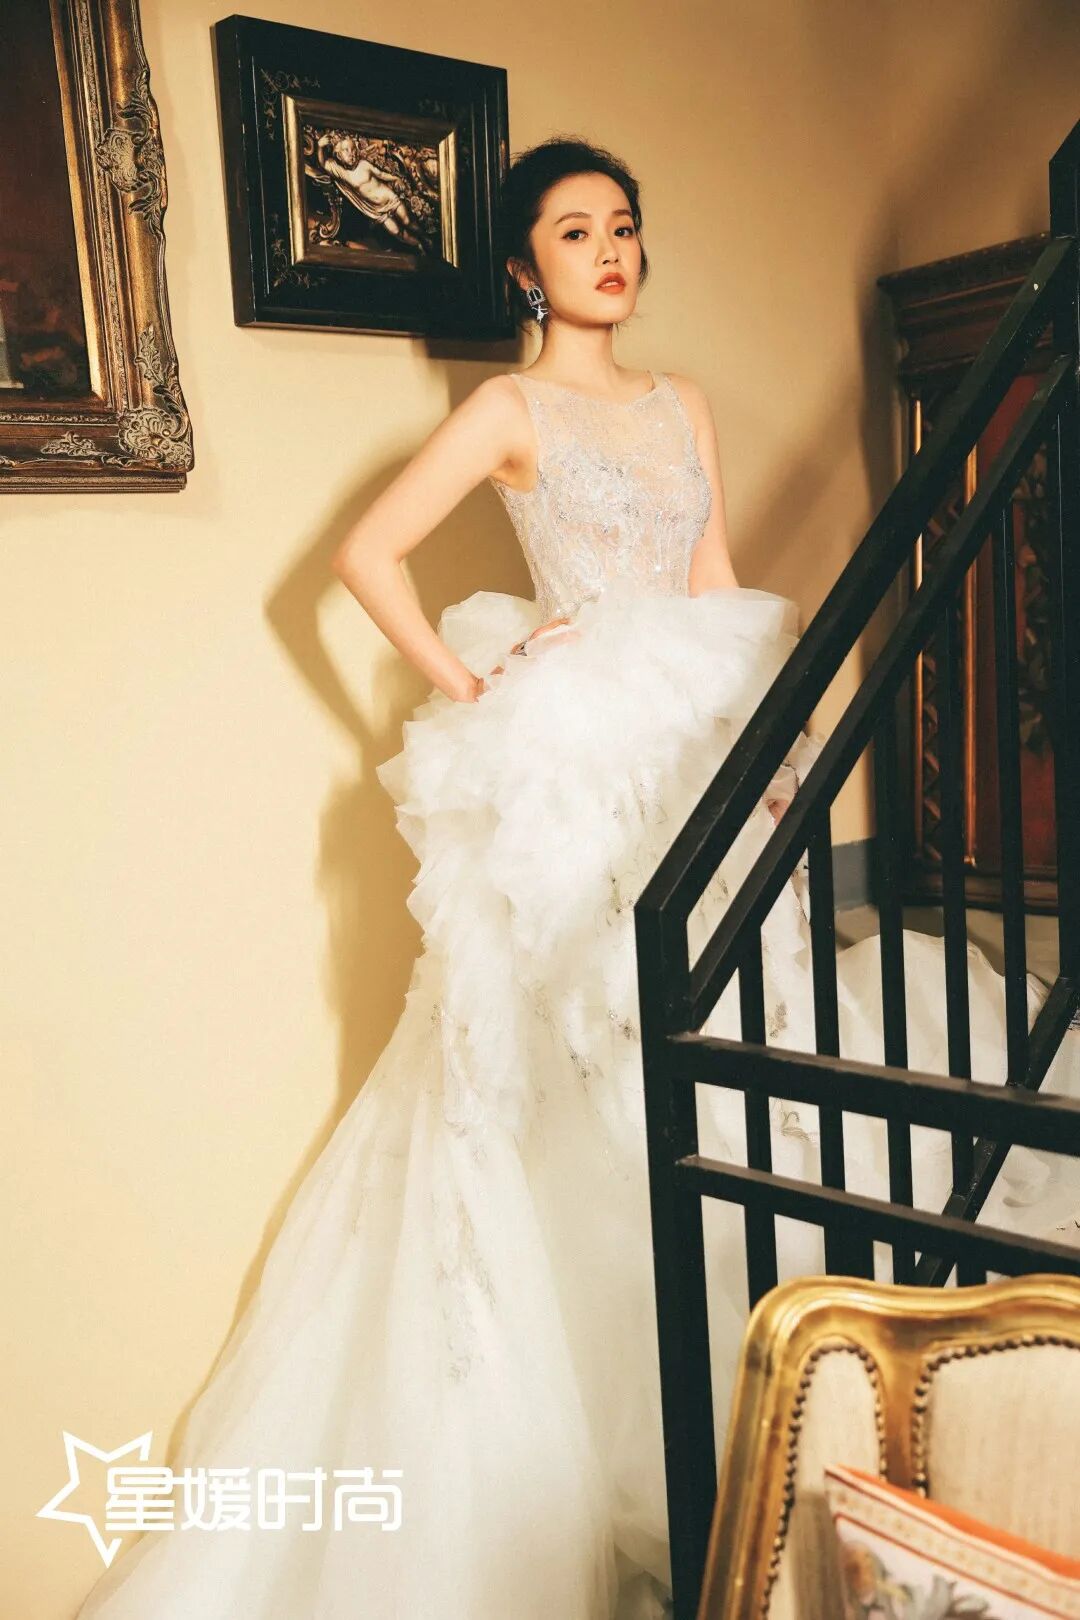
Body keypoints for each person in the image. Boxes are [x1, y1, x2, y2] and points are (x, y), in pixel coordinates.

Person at [75, 136, 1080, 1620]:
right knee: (594, 1051)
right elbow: (366, 555)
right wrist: (472, 684)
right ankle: (633, 1389)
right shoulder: (508, 409)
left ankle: (773, 1347)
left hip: (693, 740)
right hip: (580, 764)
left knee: (747, 1019)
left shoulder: (682, 403)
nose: (609, 251)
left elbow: (713, 581)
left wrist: (768, 746)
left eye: (622, 225)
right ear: (522, 268)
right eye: (572, 231)